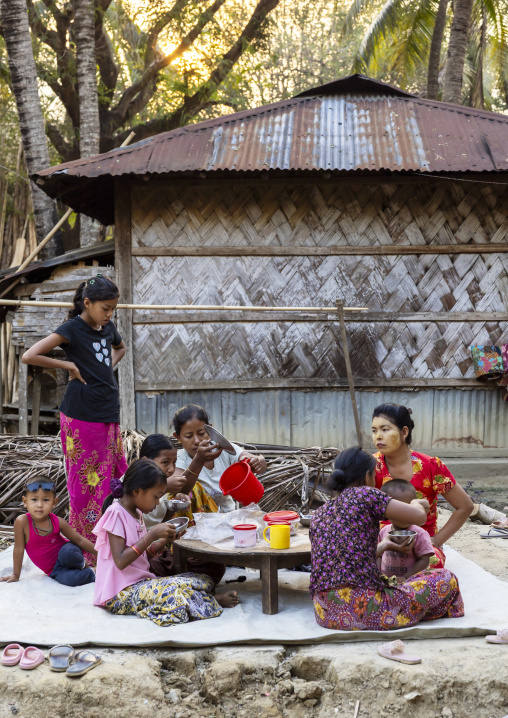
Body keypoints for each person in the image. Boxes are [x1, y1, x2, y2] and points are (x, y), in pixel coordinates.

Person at [22, 275, 129, 564]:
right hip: (81, 416)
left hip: (108, 411)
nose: (109, 315)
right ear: (87, 303)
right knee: (85, 485)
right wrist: (68, 364)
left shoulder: (106, 327)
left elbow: (120, 348)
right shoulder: (72, 328)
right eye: (105, 308)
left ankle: (112, 541)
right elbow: (30, 355)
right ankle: (89, 550)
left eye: (112, 310)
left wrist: (102, 370)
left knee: (111, 480)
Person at [310, 447, 464, 631]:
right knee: (446, 578)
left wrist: (382, 546)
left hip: (324, 613)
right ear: (368, 476)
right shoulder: (365, 494)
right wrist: (416, 503)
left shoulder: (319, 513)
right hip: (364, 609)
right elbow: (420, 517)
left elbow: (346, 556)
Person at [93, 459, 239, 626]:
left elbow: (140, 559)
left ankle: (197, 599)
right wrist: (152, 533)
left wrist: (162, 542)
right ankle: (212, 601)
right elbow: (120, 561)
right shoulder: (115, 513)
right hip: (119, 593)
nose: (157, 503)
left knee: (201, 580)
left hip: (142, 584)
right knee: (172, 593)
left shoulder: (136, 513)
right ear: (137, 491)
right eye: (156, 497)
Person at [372, 403, 474, 568]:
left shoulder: (431, 466)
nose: (378, 436)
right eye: (374, 430)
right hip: (382, 542)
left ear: (404, 432)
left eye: (385, 429)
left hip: (419, 543)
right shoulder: (371, 467)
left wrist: (437, 540)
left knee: (429, 564)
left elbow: (465, 506)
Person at [139, 434, 226, 584]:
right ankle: (192, 588)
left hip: (162, 549)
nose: (171, 469)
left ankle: (184, 584)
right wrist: (165, 487)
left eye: (174, 463)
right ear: (145, 461)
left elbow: (162, 519)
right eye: (165, 462)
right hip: (142, 555)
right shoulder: (133, 487)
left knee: (214, 566)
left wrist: (174, 504)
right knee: (151, 568)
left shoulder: (160, 485)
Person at [172, 404, 267, 512]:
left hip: (229, 516)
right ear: (178, 437)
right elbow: (177, 488)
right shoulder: (181, 458)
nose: (197, 441)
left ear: (210, 430)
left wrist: (256, 462)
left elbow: (260, 463)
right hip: (200, 521)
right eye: (189, 436)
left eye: (202, 433)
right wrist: (199, 460)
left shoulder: (223, 448)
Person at [0, 479, 96, 586]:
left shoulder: (58, 521)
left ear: (54, 502)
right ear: (25, 501)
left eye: (46, 500)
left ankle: (83, 565)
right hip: (54, 570)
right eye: (34, 499)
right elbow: (18, 549)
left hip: (67, 553)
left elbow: (79, 540)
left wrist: (100, 553)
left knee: (68, 554)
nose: (40, 505)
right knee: (70, 580)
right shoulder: (22, 522)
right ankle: (92, 573)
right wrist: (16, 575)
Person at [377, 479, 434, 582]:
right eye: (399, 510)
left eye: (408, 509)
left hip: (411, 583)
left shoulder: (420, 533)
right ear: (386, 510)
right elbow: (379, 556)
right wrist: (378, 574)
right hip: (385, 582)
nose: (404, 515)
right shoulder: (383, 531)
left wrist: (406, 577)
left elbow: (424, 560)